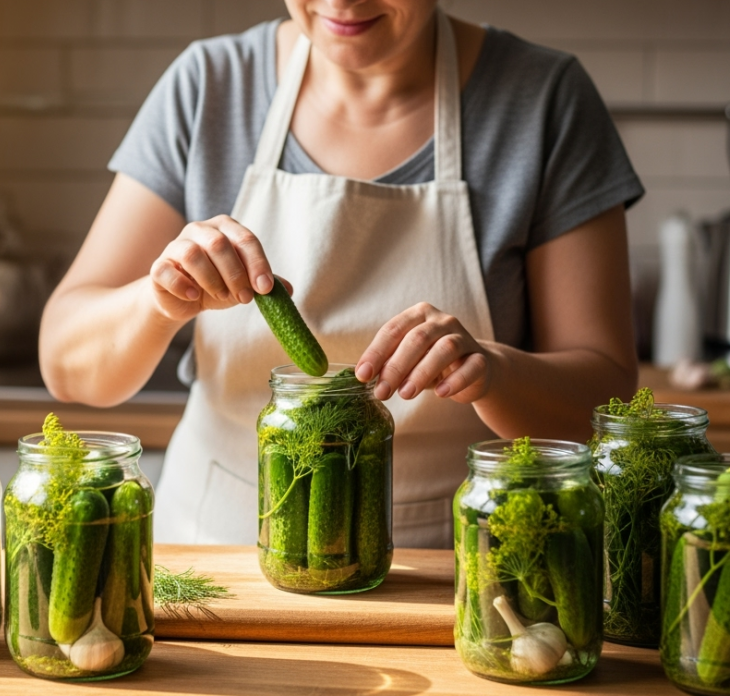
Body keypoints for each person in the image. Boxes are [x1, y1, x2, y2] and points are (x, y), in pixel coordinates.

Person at [39, 0, 641, 547]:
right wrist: (159, 299)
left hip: (459, 574)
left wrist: (494, 371)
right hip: (212, 563)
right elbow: (67, 366)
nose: (342, 3)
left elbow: (606, 402)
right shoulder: (209, 85)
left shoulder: (545, 100)